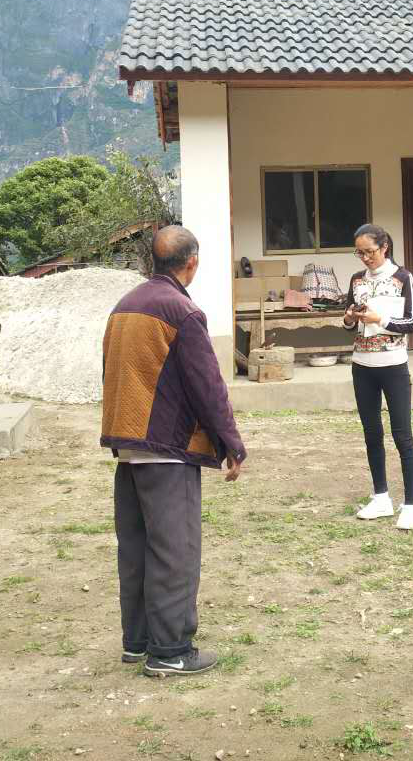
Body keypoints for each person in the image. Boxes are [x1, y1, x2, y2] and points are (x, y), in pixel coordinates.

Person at [101, 225, 247, 677]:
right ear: (192, 262)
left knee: (137, 550)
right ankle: (170, 651)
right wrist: (231, 442)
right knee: (174, 553)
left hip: (128, 448)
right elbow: (207, 384)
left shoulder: (124, 305)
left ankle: (138, 642)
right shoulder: (182, 311)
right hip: (167, 448)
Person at [343, 224, 413, 530]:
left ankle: (411, 505)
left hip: (393, 365)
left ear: (384, 247)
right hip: (361, 364)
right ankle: (381, 497)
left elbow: (412, 322)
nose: (365, 258)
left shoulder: (403, 277)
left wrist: (381, 319)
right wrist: (349, 318)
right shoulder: (356, 280)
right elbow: (349, 321)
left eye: (370, 252)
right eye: (359, 253)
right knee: (372, 433)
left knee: (402, 435)